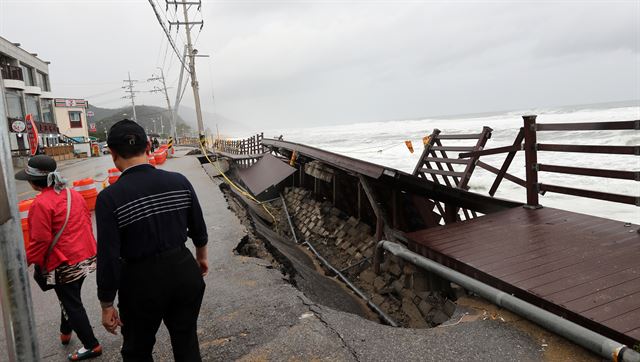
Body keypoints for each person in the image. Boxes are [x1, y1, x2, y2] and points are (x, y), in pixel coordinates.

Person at [96, 119, 208, 361]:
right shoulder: (179, 181)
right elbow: (198, 227)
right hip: (184, 271)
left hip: (140, 283)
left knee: (137, 348)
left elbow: (108, 256)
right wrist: (201, 257)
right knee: (186, 341)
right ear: (148, 146)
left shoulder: (109, 198)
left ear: (112, 154)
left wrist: (107, 303)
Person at [15, 155, 102, 361]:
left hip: (64, 263)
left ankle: (92, 345)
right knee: (70, 298)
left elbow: (40, 243)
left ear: (34, 182)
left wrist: (23, 263)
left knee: (72, 304)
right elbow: (85, 222)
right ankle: (66, 331)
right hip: (85, 256)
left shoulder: (40, 204)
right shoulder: (73, 194)